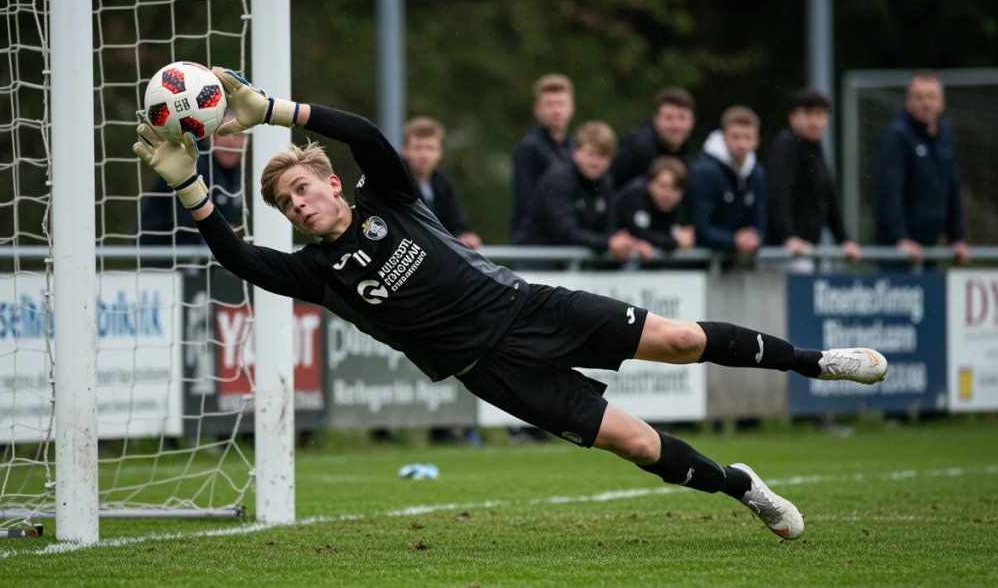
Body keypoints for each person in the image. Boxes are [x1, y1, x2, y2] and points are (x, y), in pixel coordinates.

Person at [132, 67, 890, 541]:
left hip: (533, 308)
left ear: (332, 184)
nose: (298, 205)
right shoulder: (316, 271)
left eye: (303, 189)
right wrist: (189, 187)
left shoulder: (386, 196)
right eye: (286, 203)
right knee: (638, 444)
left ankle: (819, 363)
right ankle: (743, 488)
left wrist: (269, 110)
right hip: (495, 370)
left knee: (684, 340)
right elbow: (237, 257)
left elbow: (363, 133)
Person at [511, 121, 644, 267]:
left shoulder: (605, 182)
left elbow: (608, 227)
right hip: (534, 263)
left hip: (567, 266)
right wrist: (609, 243)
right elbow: (565, 232)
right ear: (576, 152)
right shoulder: (558, 179)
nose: (595, 161)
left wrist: (629, 243)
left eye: (602, 156)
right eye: (590, 153)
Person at [876, 71, 970, 267]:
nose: (926, 103)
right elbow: (890, 191)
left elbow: (953, 188)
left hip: (929, 249)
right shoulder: (897, 136)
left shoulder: (946, 137)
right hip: (899, 253)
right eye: (919, 98)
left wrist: (957, 238)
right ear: (908, 102)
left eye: (931, 97)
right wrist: (901, 238)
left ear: (941, 102)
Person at [762, 89, 860, 272]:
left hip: (805, 250)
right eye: (808, 114)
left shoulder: (816, 150)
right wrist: (788, 236)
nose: (815, 121)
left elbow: (829, 198)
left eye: (820, 115)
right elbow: (778, 193)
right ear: (793, 118)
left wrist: (844, 240)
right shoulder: (786, 145)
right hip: (785, 252)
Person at [138, 112, 245, 250]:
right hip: (159, 253)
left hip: (201, 257)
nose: (230, 142)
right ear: (210, 137)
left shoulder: (238, 174)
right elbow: (185, 224)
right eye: (222, 133)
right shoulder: (192, 165)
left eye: (237, 134)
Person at [690, 106, 767, 258]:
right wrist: (733, 241)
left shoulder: (757, 173)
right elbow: (699, 226)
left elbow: (760, 220)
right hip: (703, 263)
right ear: (724, 137)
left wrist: (755, 236)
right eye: (736, 137)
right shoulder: (704, 172)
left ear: (756, 141)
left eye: (747, 137)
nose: (741, 144)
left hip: (738, 261)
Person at [401, 116, 482, 250]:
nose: (424, 155)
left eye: (430, 148)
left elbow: (455, 221)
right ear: (405, 151)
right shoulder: (395, 180)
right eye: (417, 148)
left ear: (440, 152)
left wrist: (464, 235)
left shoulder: (442, 180)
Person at [510, 74, 575, 237]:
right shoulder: (528, 148)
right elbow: (526, 204)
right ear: (537, 110)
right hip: (536, 244)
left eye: (561, 104)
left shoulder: (575, 148)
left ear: (571, 108)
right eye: (549, 104)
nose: (556, 110)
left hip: (565, 239)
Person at [609, 88, 696, 191]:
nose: (675, 125)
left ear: (691, 122)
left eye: (682, 118)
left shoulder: (686, 159)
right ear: (656, 120)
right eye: (669, 118)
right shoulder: (637, 148)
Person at [614, 156, 694, 254]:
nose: (667, 194)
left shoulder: (677, 207)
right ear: (650, 183)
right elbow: (640, 234)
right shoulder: (636, 195)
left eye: (675, 189)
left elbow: (682, 233)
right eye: (663, 186)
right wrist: (675, 242)